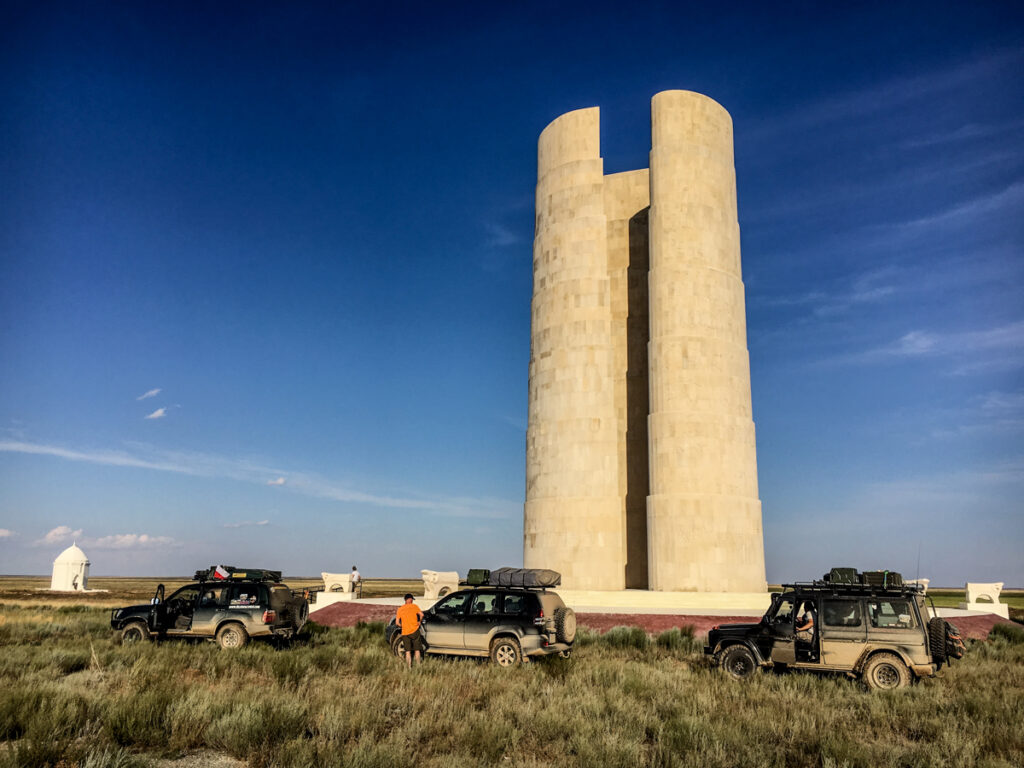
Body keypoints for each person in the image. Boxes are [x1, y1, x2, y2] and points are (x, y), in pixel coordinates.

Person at [395, 592, 424, 668]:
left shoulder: (400, 609)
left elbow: (397, 623)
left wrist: (403, 626)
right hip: (415, 630)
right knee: (417, 650)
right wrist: (419, 621)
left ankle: (409, 667)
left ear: (405, 600)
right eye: (412, 599)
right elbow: (422, 615)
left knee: (407, 651)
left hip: (405, 632)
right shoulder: (414, 607)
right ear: (411, 599)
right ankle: (418, 666)